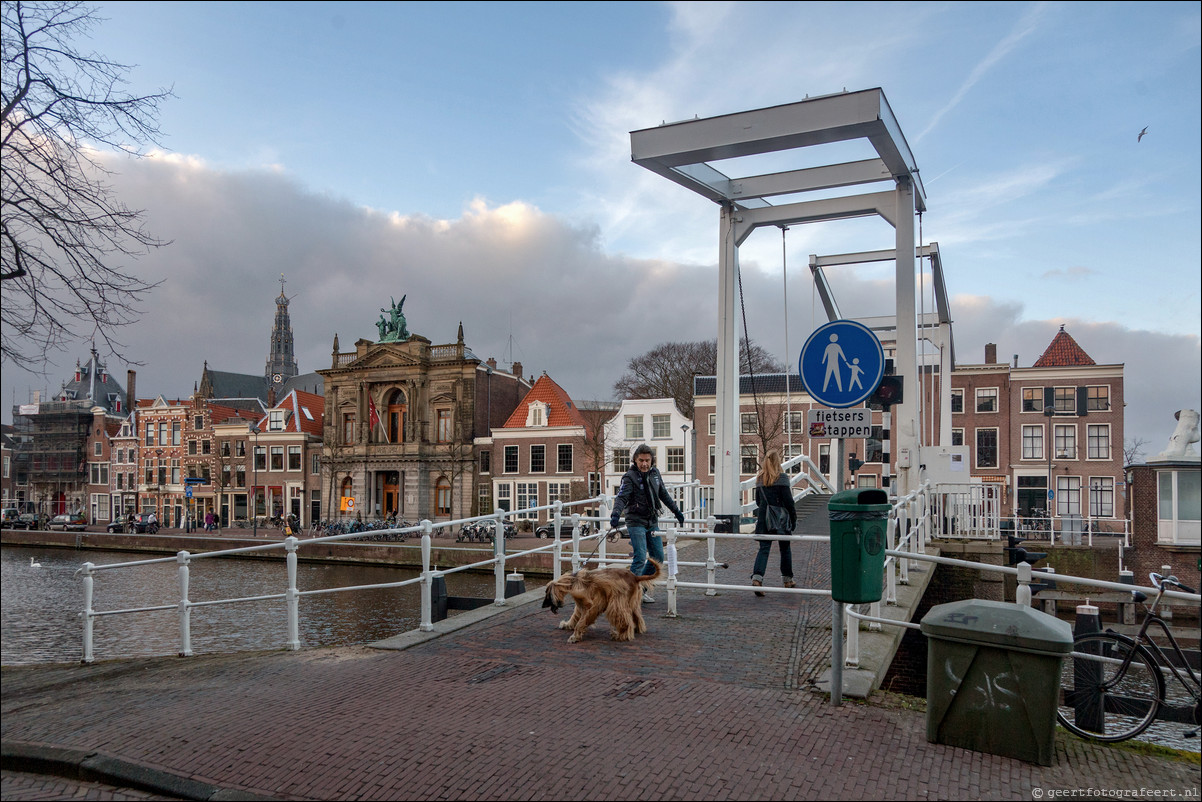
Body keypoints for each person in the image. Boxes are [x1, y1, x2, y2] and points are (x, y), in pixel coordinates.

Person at [610, 444, 685, 603]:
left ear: (652, 461)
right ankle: (629, 596)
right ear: (635, 460)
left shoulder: (655, 474)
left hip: (652, 520)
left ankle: (640, 590)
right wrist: (616, 514)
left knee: (657, 557)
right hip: (636, 521)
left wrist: (677, 511)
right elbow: (621, 497)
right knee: (639, 557)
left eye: (647, 460)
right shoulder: (629, 477)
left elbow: (663, 494)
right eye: (641, 460)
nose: (644, 464)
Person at [750, 449, 797, 597]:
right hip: (781, 519)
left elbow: (758, 502)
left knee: (763, 549)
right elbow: (789, 502)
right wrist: (793, 519)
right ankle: (787, 580)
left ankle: (757, 579)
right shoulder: (782, 478)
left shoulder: (760, 480)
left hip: (764, 520)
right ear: (778, 462)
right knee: (785, 549)